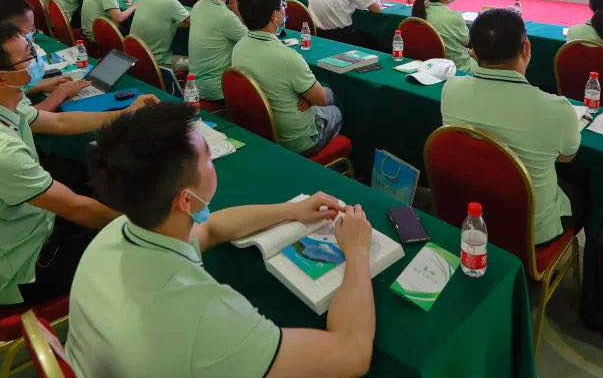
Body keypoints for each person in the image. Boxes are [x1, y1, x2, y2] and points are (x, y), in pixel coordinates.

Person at [66, 102, 375, 377]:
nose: (213, 164)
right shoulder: (207, 318)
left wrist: (293, 211)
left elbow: (212, 228)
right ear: (186, 200)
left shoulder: (118, 232)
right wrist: (357, 250)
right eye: (209, 160)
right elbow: (352, 354)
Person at [0, 21, 159, 306]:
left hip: (22, 227)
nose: (35, 58)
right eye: (27, 56)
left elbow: (59, 121)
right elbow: (76, 208)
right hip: (24, 268)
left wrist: (126, 114)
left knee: (93, 181)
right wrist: (155, 227)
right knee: (143, 247)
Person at [441, 9, 583, 246]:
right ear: (526, 48)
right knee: (584, 188)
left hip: (470, 216)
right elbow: (568, 155)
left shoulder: (450, 90)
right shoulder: (557, 109)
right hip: (530, 232)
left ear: (473, 51)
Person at [233, 0, 343, 156]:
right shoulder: (288, 57)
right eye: (282, 5)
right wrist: (309, 97)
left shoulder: (239, 47)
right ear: (275, 16)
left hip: (261, 131)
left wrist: (307, 97)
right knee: (336, 107)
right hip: (297, 141)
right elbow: (321, 99)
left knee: (323, 94)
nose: (285, 8)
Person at [188, 0, 247, 102]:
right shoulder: (225, 16)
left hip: (196, 85)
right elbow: (251, 40)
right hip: (217, 90)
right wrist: (237, 13)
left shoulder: (198, 6)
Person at [411, 0, 477, 73]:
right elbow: (466, 42)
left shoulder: (419, 11)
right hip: (456, 68)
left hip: (428, 65)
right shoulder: (454, 16)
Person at [129, 0, 189, 67]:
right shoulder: (168, 1)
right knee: (200, 64)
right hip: (158, 62)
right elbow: (193, 22)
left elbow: (163, 21)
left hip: (137, 57)